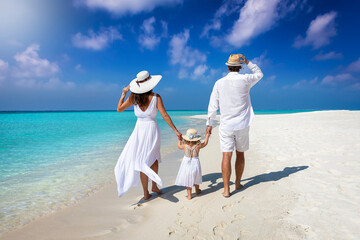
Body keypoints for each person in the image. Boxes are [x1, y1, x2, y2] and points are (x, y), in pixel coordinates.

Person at [115, 70, 182, 200]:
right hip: (152, 130)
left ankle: (146, 193)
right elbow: (165, 115)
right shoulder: (156, 97)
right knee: (154, 158)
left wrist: (123, 94)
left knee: (141, 161)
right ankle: (154, 186)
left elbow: (119, 109)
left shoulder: (133, 97)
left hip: (139, 131)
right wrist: (176, 130)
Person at [206, 54, 263, 198]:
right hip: (242, 124)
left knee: (226, 155)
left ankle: (226, 190)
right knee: (240, 153)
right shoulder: (245, 79)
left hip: (226, 125)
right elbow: (259, 74)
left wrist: (209, 123)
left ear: (227, 66)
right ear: (240, 67)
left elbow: (213, 105)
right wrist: (248, 62)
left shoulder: (219, 83)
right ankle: (237, 183)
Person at [175, 129, 210, 200]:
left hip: (186, 163)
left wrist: (179, 140)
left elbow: (179, 146)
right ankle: (197, 190)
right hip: (195, 163)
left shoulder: (184, 145)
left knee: (188, 179)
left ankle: (189, 195)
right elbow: (205, 143)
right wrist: (207, 136)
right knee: (196, 177)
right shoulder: (198, 146)